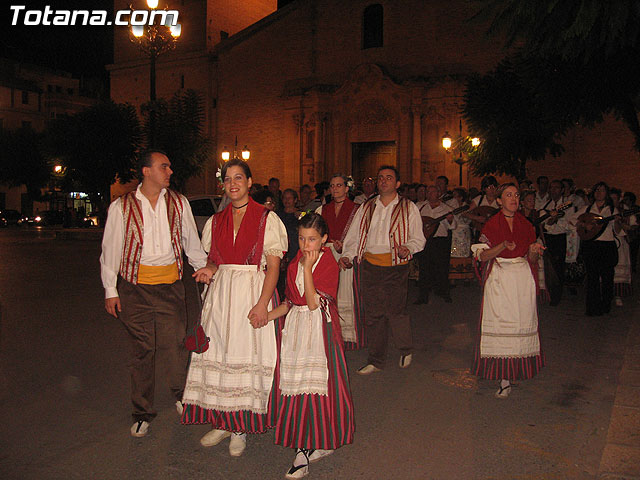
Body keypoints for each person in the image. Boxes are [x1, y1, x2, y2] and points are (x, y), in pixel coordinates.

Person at [180, 158, 288, 456]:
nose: (233, 184)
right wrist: (209, 270)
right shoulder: (216, 221)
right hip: (222, 295)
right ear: (223, 185)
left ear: (250, 182)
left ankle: (241, 426)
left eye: (239, 178)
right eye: (228, 179)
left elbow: (274, 266)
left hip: (252, 290)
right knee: (221, 353)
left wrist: (262, 305)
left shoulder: (267, 218)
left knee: (244, 354)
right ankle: (223, 421)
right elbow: (215, 259)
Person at [100, 150, 209, 438]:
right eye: (164, 166)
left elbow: (191, 242)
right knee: (142, 350)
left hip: (171, 288)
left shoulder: (178, 202)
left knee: (175, 345)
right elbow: (110, 250)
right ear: (147, 171)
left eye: (170, 167)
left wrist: (202, 269)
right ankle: (142, 411)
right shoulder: (121, 207)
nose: (170, 171)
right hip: (134, 290)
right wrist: (110, 289)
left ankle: (181, 395)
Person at [266, 212, 355, 479]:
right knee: (296, 385)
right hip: (296, 330)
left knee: (314, 388)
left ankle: (303, 449)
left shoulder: (327, 263)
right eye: (302, 239)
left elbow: (314, 302)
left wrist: (307, 268)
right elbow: (291, 302)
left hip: (319, 333)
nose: (306, 246)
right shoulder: (295, 263)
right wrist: (265, 316)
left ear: (324, 239)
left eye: (313, 239)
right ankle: (314, 441)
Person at [340, 165, 426, 374]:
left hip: (396, 267)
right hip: (370, 266)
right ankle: (376, 360)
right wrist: (347, 255)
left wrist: (409, 248)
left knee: (396, 311)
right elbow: (354, 236)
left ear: (397, 184)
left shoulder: (408, 207)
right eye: (380, 178)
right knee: (374, 314)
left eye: (389, 178)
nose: (383, 181)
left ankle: (405, 349)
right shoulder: (367, 207)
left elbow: (418, 238)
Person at [471, 183, 546, 398]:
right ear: (499, 201)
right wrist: (503, 245)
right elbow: (482, 256)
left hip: (521, 281)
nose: (513, 198)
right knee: (501, 324)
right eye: (508, 195)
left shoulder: (526, 224)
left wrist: (533, 251)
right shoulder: (492, 224)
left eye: (516, 194)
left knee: (520, 324)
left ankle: (517, 370)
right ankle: (503, 377)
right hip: (501, 280)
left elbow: (531, 259)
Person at [316, 174, 362, 349]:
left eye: (339, 185)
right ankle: (330, 331)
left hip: (346, 254)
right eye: (332, 186)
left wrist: (345, 249)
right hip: (327, 254)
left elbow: (358, 234)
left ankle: (346, 335)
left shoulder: (356, 209)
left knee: (344, 292)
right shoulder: (324, 209)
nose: (335, 189)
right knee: (328, 292)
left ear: (346, 188)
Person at [575, 182, 621, 316]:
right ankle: (592, 308)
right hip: (592, 246)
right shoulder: (587, 209)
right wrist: (585, 225)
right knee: (592, 278)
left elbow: (617, 231)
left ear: (606, 194)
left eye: (602, 190)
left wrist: (618, 222)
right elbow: (574, 221)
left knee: (607, 278)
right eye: (597, 190)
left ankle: (605, 305)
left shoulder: (612, 210)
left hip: (607, 246)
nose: (599, 193)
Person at [415, 185, 456, 304]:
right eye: (428, 191)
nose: (429, 193)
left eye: (432, 191)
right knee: (424, 268)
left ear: (438, 193)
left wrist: (449, 220)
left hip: (440, 241)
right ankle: (423, 296)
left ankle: (443, 292)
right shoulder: (420, 206)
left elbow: (453, 226)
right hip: (426, 241)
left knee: (441, 268)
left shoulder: (446, 208)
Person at [540, 180, 570, 306]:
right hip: (547, 238)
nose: (553, 190)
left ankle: (556, 296)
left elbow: (568, 225)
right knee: (547, 266)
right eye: (551, 188)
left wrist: (554, 219)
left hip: (559, 238)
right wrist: (551, 220)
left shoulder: (568, 205)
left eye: (557, 188)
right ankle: (548, 293)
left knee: (558, 267)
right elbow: (544, 223)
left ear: (562, 190)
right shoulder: (545, 204)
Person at [277, 188, 302, 298]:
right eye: (285, 198)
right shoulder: (277, 215)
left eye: (289, 198)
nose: (287, 201)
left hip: (295, 252)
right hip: (281, 252)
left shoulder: (301, 215)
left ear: (295, 200)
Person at [448, 188, 475, 284]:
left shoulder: (466, 207)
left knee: (465, 253)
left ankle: (466, 275)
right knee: (453, 253)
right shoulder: (451, 207)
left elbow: (470, 219)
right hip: (455, 232)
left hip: (464, 232)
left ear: (461, 197)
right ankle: (453, 277)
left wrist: (466, 216)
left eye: (456, 195)